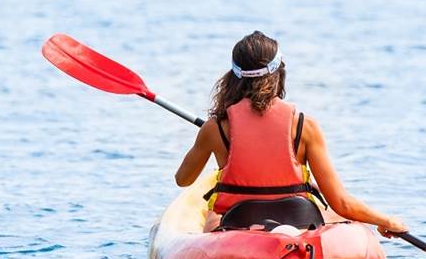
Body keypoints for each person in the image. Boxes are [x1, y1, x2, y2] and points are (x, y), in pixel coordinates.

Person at [174, 31, 408, 235]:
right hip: (299, 222)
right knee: (336, 220)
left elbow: (183, 180)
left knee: (210, 218)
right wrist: (386, 220)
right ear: (279, 74)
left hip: (237, 224)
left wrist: (210, 140)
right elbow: (341, 203)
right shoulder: (305, 127)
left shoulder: (215, 128)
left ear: (232, 77)